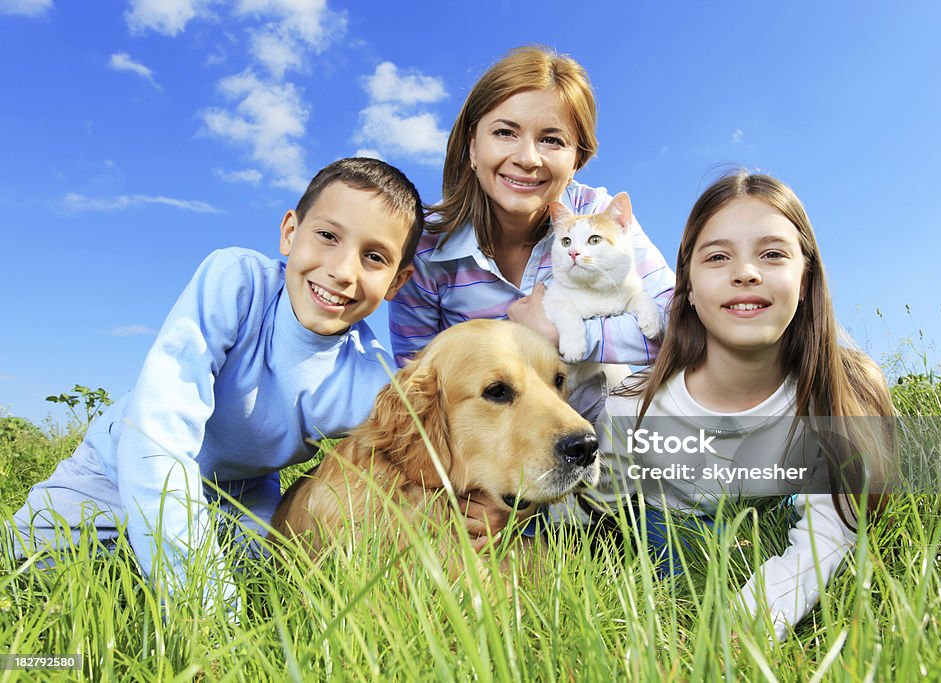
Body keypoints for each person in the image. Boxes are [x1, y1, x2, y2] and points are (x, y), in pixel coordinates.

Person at [7, 158, 423, 611]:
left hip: (237, 498)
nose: (343, 270)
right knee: (27, 575)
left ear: (397, 282)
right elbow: (156, 436)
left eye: (374, 257)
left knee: (269, 592)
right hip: (115, 469)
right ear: (289, 232)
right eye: (327, 236)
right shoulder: (237, 283)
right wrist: (208, 608)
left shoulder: (372, 381)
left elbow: (416, 470)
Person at [586, 171, 895, 641]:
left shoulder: (838, 392)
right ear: (686, 286)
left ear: (806, 277)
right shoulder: (632, 406)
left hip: (764, 518)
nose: (745, 272)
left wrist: (755, 615)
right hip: (661, 525)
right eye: (718, 257)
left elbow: (830, 533)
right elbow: (593, 511)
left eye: (772, 254)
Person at [388, 46, 675, 530]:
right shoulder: (426, 253)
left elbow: (677, 318)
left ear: (577, 157)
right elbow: (419, 395)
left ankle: (633, 524)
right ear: (471, 145)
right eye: (504, 132)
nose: (527, 158)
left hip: (604, 440)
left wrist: (563, 334)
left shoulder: (599, 217)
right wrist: (478, 492)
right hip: (503, 466)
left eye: (552, 139)